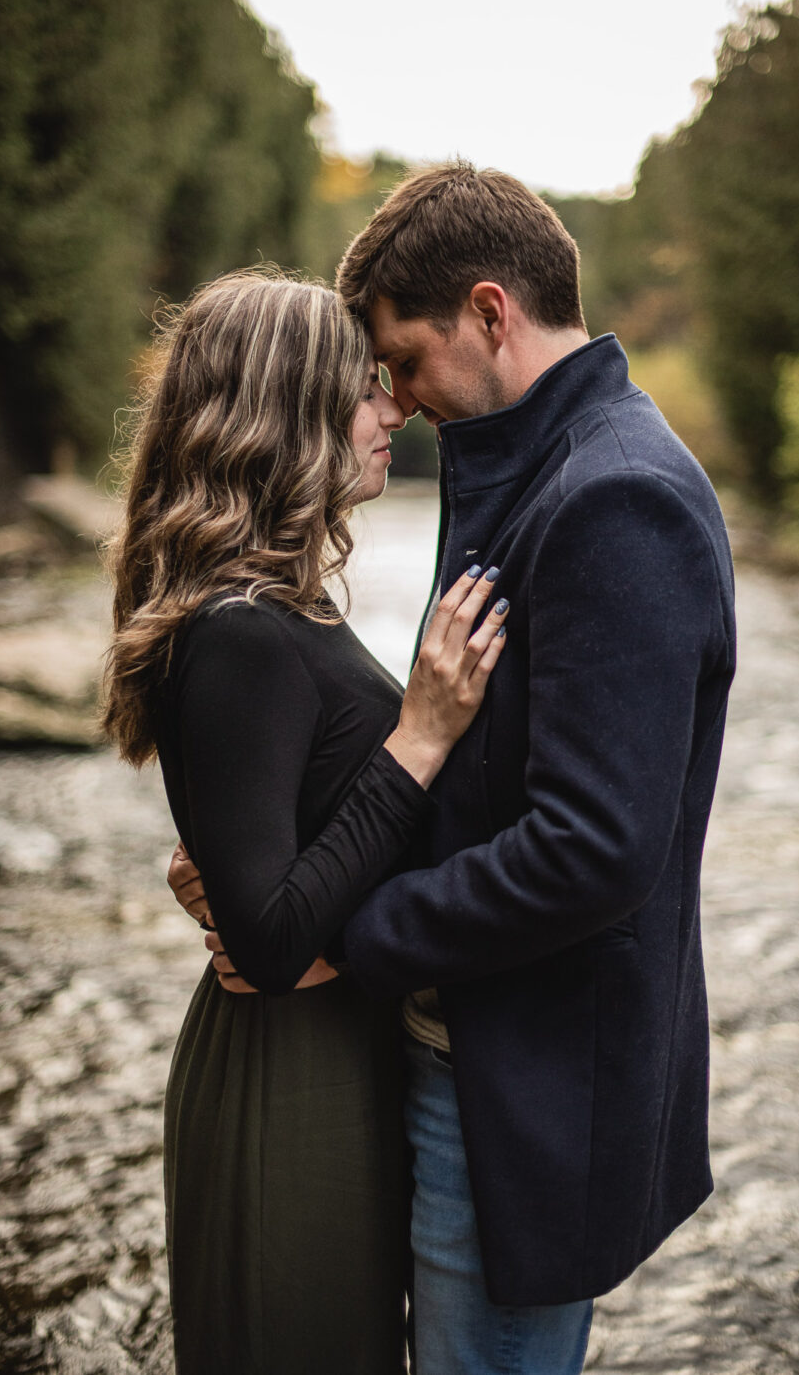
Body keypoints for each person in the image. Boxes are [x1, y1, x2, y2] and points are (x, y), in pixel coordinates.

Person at [172, 162, 737, 1375]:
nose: (399, 400)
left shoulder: (613, 497)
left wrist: (345, 934)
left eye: (404, 361)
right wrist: (269, 852)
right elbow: (479, 780)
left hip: (518, 1089)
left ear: (489, 311)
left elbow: (589, 849)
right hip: (460, 1054)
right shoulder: (537, 468)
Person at [102, 269, 512, 1375]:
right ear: (289, 411)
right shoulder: (240, 627)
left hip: (335, 1055)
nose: (393, 409)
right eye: (366, 389)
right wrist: (418, 737)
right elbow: (274, 940)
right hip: (288, 1078)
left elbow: (273, 852)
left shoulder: (278, 604)